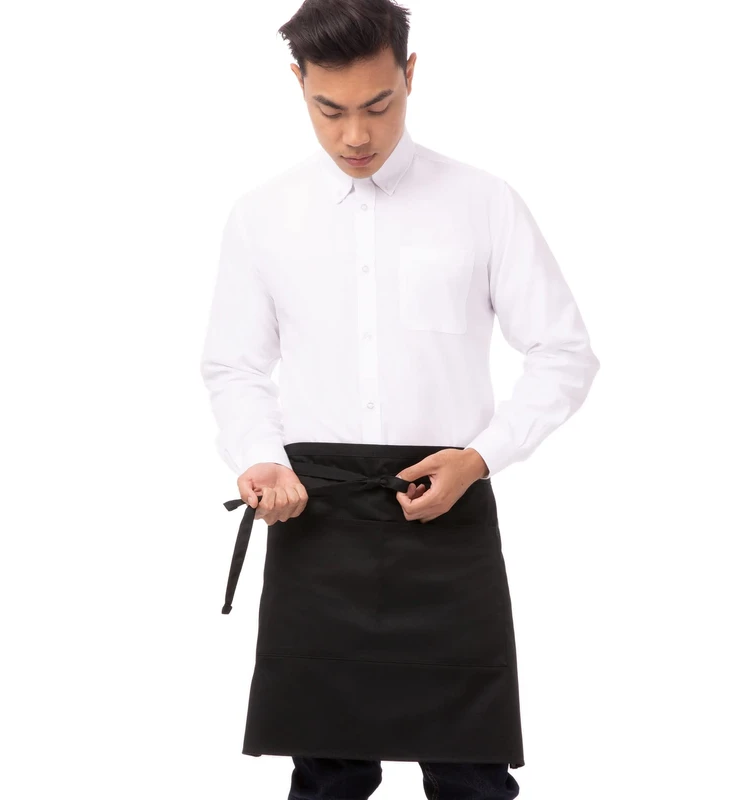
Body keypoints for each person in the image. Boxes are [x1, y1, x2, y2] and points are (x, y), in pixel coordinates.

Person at [199, 1, 600, 797]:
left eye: (378, 105)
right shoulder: (261, 217)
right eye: (330, 109)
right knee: (327, 777)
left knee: (472, 776)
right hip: (315, 519)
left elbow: (564, 354)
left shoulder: (484, 202)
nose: (356, 135)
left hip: (448, 512)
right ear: (298, 83)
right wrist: (260, 459)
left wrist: (480, 458)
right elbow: (234, 366)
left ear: (410, 76)